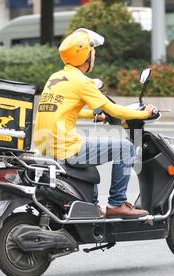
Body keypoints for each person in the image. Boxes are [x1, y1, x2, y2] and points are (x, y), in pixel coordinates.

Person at [33, 28, 157, 218]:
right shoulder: (82, 82)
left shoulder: (56, 77)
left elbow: (65, 109)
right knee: (126, 148)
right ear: (85, 56)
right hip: (65, 147)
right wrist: (143, 114)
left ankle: (91, 207)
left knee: (89, 148)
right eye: (93, 52)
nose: (94, 56)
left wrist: (94, 115)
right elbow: (113, 109)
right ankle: (117, 204)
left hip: (45, 145)